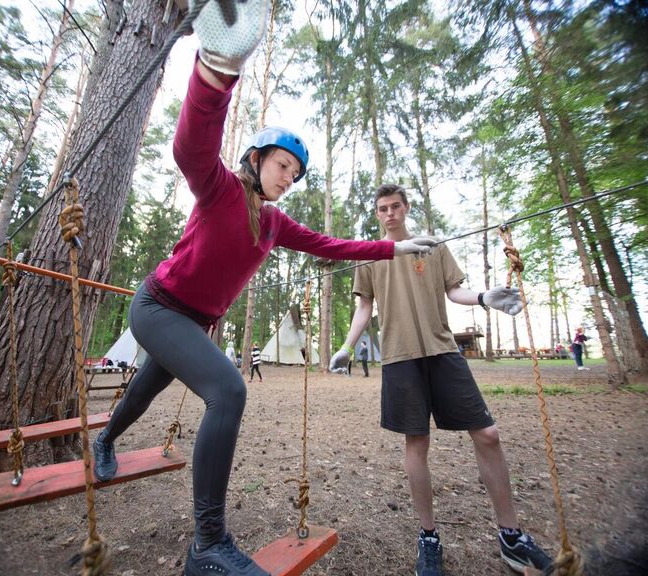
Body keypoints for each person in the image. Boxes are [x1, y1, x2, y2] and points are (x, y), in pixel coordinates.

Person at [91, 7, 436, 576]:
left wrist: (394, 249)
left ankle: (105, 441)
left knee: (145, 390)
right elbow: (190, 146)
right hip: (156, 306)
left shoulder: (275, 224)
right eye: (282, 165)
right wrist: (217, 70)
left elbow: (332, 246)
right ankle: (207, 542)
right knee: (229, 392)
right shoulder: (219, 188)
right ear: (256, 159)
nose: (288, 178)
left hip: (191, 322)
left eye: (295, 174)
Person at [330, 184, 552, 576]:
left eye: (395, 206)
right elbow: (365, 306)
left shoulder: (433, 246)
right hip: (400, 357)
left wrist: (484, 297)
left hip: (443, 350)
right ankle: (429, 536)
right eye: (382, 209)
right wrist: (347, 346)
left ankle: (511, 537)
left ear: (406, 207)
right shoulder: (370, 256)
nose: (389, 214)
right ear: (376, 214)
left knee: (488, 434)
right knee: (417, 443)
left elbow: (455, 290)